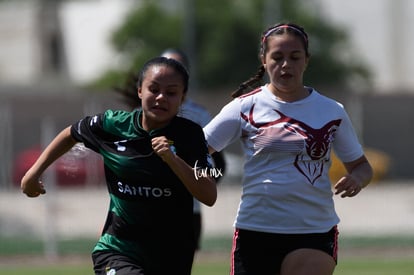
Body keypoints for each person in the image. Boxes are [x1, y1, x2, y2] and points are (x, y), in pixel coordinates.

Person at [203, 22, 373, 275]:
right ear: (263, 59)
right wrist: (205, 176)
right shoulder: (244, 107)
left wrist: (357, 179)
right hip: (255, 231)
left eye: (295, 57)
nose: (286, 65)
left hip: (314, 232)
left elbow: (362, 167)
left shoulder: (331, 111)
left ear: (306, 60)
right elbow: (196, 150)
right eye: (277, 57)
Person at [21, 56, 217, 275]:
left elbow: (209, 195)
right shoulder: (114, 125)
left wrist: (173, 160)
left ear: (182, 98)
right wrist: (33, 172)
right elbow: (70, 134)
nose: (161, 97)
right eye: (153, 89)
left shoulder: (190, 135)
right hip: (119, 249)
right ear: (140, 91)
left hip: (172, 254)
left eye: (171, 93)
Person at [115, 48, 226, 260]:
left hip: (185, 210)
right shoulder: (138, 117)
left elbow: (215, 162)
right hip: (146, 207)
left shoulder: (198, 117)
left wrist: (199, 185)